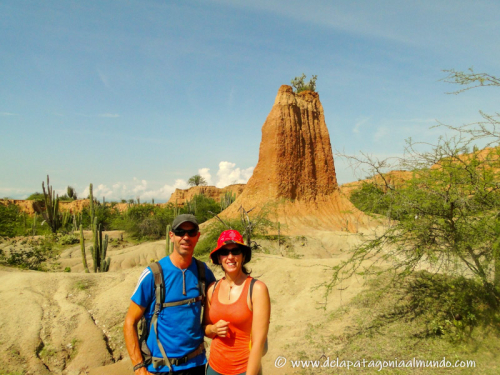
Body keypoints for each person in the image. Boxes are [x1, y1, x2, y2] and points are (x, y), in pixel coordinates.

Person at [124, 214, 216, 375]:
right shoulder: (153, 274)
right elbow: (130, 322)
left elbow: (220, 305)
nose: (186, 237)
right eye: (180, 232)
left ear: (198, 236)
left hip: (196, 364)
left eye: (191, 232)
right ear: (171, 236)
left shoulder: (203, 272)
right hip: (160, 368)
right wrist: (139, 368)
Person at [204, 230, 271, 375]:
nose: (230, 257)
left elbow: (258, 342)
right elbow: (205, 328)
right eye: (224, 252)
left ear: (243, 256)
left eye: (235, 251)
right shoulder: (211, 289)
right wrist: (213, 329)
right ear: (218, 257)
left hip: (244, 369)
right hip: (214, 368)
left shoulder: (257, 289)